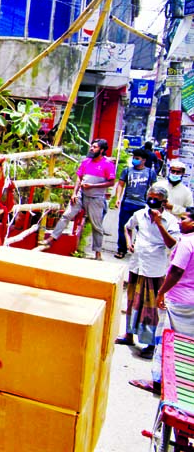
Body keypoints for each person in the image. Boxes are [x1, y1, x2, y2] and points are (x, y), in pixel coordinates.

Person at [129, 206, 194, 395]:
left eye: (184, 219)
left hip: (177, 299)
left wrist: (162, 292)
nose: (180, 222)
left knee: (165, 339)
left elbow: (176, 271)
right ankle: (181, 378)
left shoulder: (186, 243)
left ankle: (158, 381)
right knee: (186, 342)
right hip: (190, 302)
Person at [115, 185, 180, 360]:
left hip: (154, 268)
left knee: (151, 308)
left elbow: (173, 245)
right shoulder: (139, 215)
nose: (151, 201)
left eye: (156, 199)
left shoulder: (171, 221)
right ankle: (129, 334)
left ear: (164, 203)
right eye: (149, 197)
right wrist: (129, 242)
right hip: (137, 265)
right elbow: (127, 227)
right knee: (132, 302)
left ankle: (150, 343)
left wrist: (159, 223)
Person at [42, 139, 116, 260]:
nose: (91, 148)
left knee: (96, 226)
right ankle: (52, 238)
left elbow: (111, 182)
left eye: (95, 147)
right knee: (66, 215)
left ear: (102, 150)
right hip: (81, 195)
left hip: (96, 198)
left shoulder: (107, 164)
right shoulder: (86, 161)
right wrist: (74, 193)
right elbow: (79, 178)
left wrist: (93, 186)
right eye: (92, 146)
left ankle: (97, 252)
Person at [112, 148, 158, 259]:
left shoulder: (150, 173)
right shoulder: (127, 171)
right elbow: (120, 185)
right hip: (127, 203)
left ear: (144, 160)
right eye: (134, 158)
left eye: (137, 159)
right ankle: (121, 249)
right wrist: (118, 198)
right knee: (123, 227)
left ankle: (137, 249)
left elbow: (154, 188)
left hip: (142, 205)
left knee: (142, 229)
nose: (134, 160)